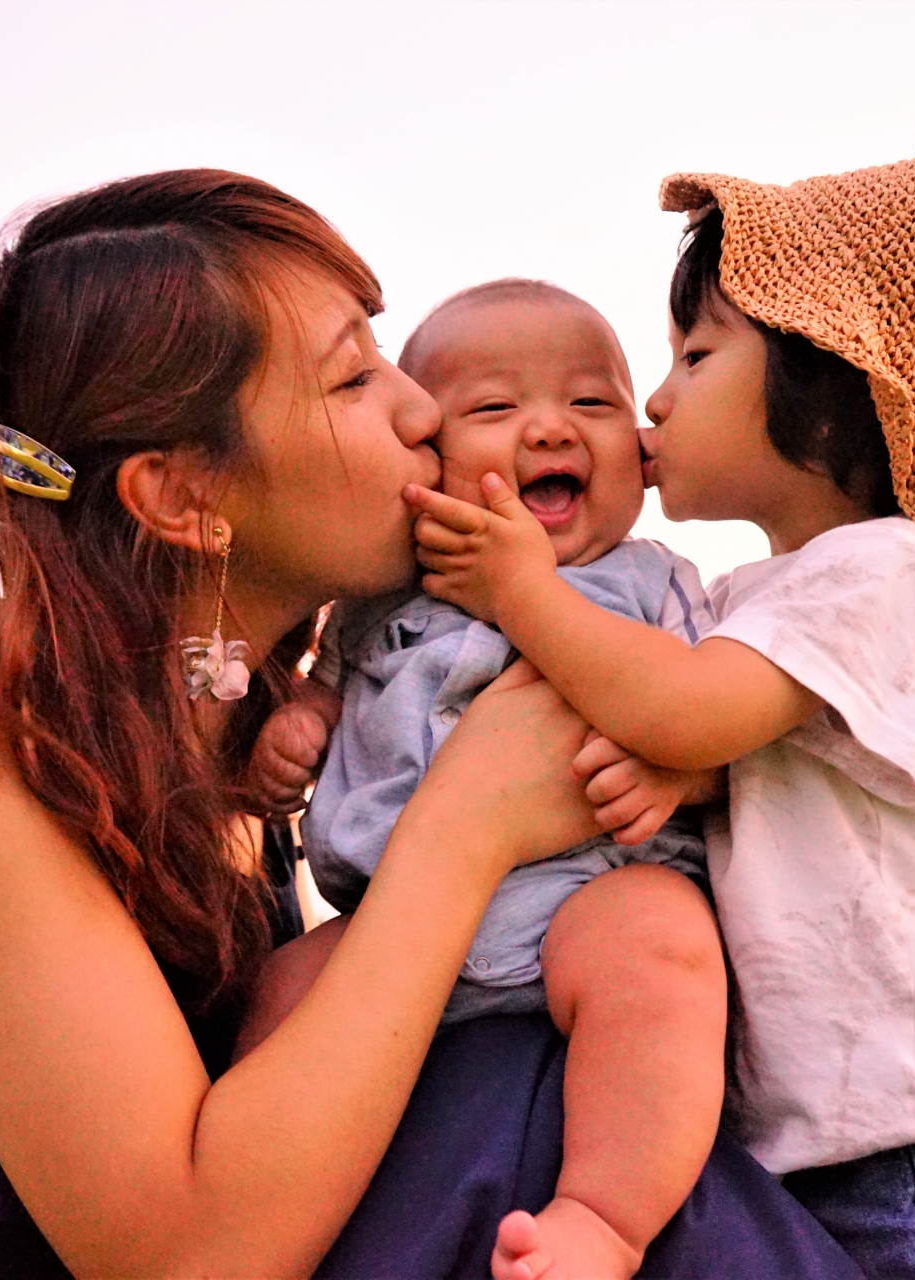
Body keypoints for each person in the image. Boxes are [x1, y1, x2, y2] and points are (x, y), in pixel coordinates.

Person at [0, 169, 861, 1278]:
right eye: (353, 378)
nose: (420, 413)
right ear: (185, 494)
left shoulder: (256, 729)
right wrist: (463, 826)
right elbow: (187, 1256)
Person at [406, 158, 915, 1278]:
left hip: (912, 1145)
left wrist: (524, 589)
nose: (656, 399)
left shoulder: (895, 574)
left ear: (832, 375)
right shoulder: (761, 597)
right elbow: (744, 746)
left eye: (696, 355)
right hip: (806, 1128)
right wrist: (687, 775)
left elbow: (688, 706)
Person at [245, 279, 724, 1280]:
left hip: (580, 901)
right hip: (390, 933)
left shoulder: (649, 582)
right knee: (286, 984)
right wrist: (300, 725)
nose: (551, 427)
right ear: (427, 458)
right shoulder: (378, 598)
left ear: (638, 450)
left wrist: (680, 763)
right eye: (496, 409)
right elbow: (333, 689)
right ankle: (267, 1205)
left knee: (667, 951)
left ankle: (603, 1215)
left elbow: (709, 712)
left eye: (593, 402)